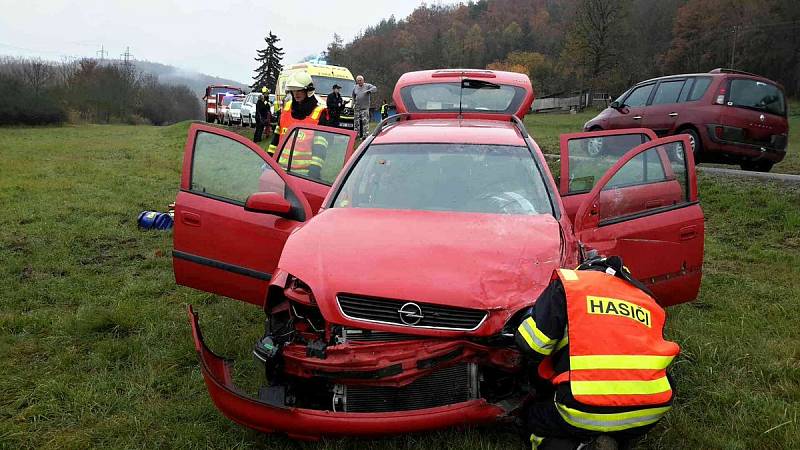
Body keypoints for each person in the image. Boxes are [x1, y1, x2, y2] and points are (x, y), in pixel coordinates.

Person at [514, 256, 680, 450]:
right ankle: (615, 437)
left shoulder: (570, 285)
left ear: (583, 269)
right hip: (650, 408)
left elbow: (532, 345)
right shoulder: (647, 299)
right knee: (617, 420)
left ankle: (573, 444)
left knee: (533, 416)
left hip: (580, 406)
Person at [268, 72, 329, 180]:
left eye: (299, 90)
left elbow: (320, 147)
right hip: (279, 171)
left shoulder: (319, 113)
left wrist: (314, 171)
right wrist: (268, 159)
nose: (296, 94)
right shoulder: (286, 109)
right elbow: (276, 138)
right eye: (294, 90)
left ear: (308, 91)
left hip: (304, 174)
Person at [351, 75, 376, 139]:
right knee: (356, 122)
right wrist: (352, 104)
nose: (359, 82)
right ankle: (357, 135)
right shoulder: (355, 87)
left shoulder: (367, 86)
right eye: (358, 81)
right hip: (357, 107)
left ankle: (365, 135)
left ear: (363, 80)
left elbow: (375, 88)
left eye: (360, 80)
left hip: (364, 107)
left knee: (365, 121)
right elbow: (353, 96)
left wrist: (369, 91)